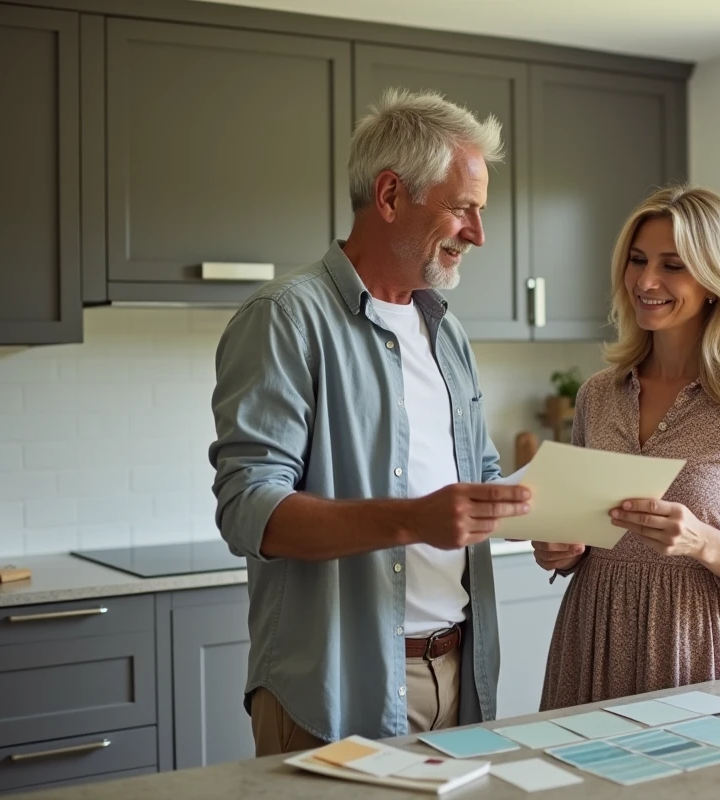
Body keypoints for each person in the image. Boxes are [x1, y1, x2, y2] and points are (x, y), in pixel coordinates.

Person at [209, 88, 531, 754]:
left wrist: (547, 521)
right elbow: (248, 508)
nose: (478, 233)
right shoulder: (287, 318)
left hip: (460, 675)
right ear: (390, 197)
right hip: (334, 689)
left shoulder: (448, 333)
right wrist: (412, 519)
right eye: (464, 209)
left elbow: (480, 475)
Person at [533, 185, 720, 709]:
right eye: (637, 261)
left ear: (714, 279)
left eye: (672, 265)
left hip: (706, 649)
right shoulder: (599, 394)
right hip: (593, 641)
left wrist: (702, 541)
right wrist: (558, 550)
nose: (646, 281)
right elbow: (577, 536)